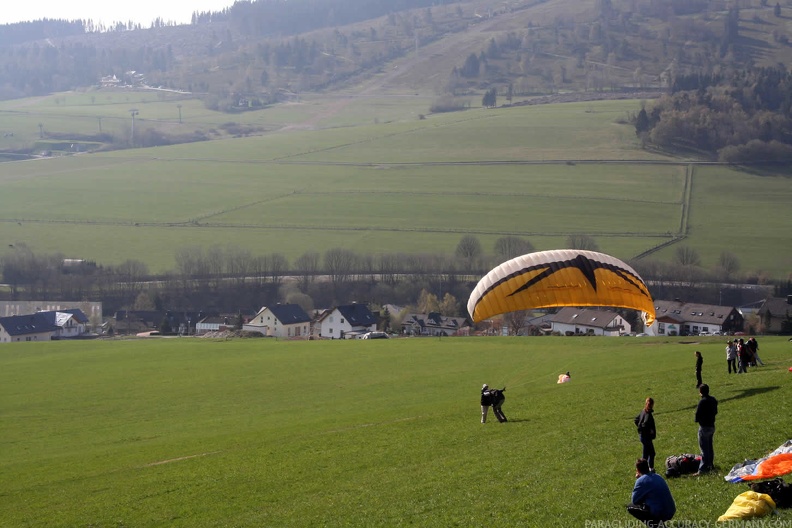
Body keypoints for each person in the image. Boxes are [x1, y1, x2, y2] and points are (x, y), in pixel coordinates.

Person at [626, 458, 676, 527]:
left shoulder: (641, 481)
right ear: (648, 467)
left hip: (660, 513)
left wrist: (638, 479)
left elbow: (635, 501)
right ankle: (659, 524)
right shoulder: (658, 476)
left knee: (630, 507)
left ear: (638, 470)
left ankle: (656, 525)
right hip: (671, 510)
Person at [694, 383, 718, 475]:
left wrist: (700, 419)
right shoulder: (713, 400)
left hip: (704, 427)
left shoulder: (702, 402)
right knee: (709, 447)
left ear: (701, 392)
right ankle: (710, 465)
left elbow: (697, 415)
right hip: (712, 426)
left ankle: (702, 469)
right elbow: (715, 411)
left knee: (703, 448)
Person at [634, 397, 657, 472]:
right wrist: (649, 431)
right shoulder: (648, 414)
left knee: (645, 454)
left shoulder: (643, 411)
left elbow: (636, 420)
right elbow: (645, 424)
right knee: (652, 453)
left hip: (642, 436)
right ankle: (651, 468)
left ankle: (641, 469)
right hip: (646, 437)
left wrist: (639, 428)